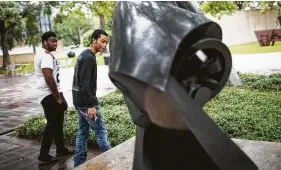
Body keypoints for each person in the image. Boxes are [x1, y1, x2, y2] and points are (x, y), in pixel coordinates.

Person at [72, 29, 112, 167]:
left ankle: (78, 164)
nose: (104, 45)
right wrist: (91, 106)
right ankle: (114, 162)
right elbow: (84, 85)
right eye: (102, 41)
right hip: (86, 104)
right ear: (94, 39)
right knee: (101, 132)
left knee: (82, 132)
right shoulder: (89, 57)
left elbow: (78, 81)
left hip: (79, 102)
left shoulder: (84, 54)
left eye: (106, 42)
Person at [34, 31, 74, 163]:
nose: (55, 43)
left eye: (56, 41)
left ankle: (61, 149)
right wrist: (58, 98)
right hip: (49, 94)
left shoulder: (44, 54)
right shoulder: (45, 56)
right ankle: (43, 154)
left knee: (57, 123)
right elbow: (49, 78)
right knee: (52, 125)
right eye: (52, 41)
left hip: (51, 93)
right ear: (45, 42)